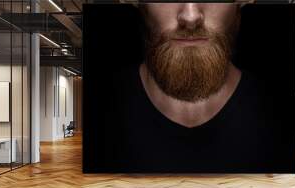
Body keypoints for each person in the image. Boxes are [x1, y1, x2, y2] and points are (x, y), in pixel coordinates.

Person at [109, 3, 278, 172]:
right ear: (142, 7)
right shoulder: (103, 110)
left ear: (238, 6)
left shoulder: (275, 116)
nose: (190, 17)